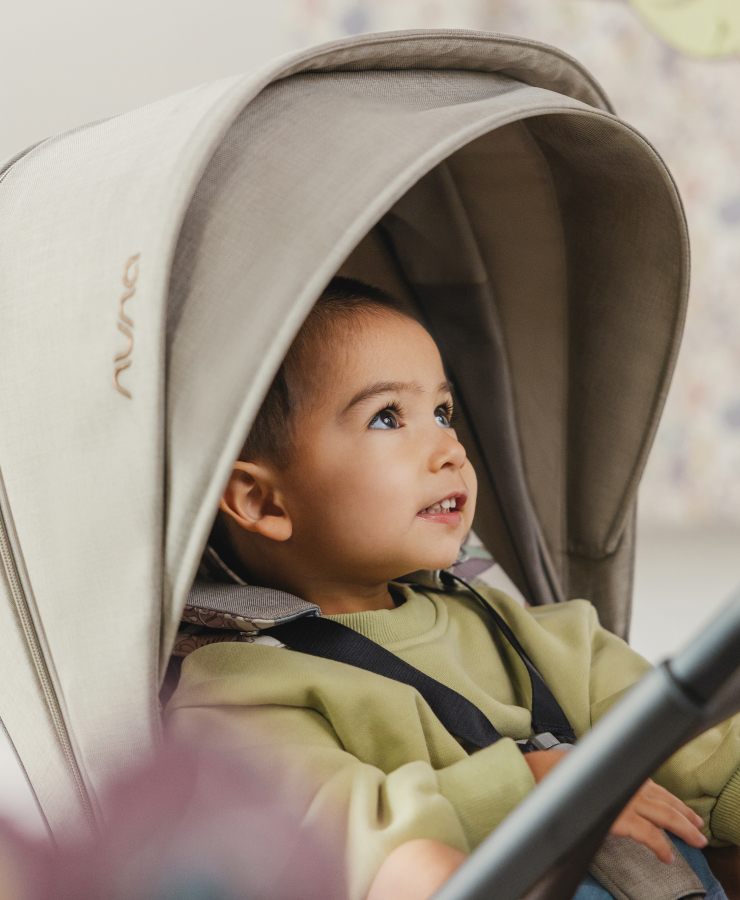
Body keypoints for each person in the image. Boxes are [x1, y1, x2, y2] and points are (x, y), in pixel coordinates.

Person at [166, 278, 740, 900]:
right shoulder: (242, 689)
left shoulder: (535, 633)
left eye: (443, 413)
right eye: (387, 417)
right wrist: (523, 785)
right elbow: (333, 840)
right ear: (263, 501)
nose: (450, 449)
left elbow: (701, 754)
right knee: (412, 871)